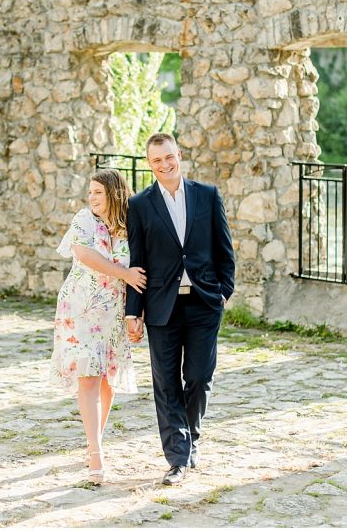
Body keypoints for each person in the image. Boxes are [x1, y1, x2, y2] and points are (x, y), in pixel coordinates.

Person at [125, 133, 235, 486]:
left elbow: (224, 251)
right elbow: (137, 262)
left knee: (200, 377)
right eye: (157, 160)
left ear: (180, 155)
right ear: (150, 164)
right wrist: (133, 311)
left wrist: (223, 294)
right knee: (166, 383)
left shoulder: (207, 195)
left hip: (204, 302)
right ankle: (178, 456)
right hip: (161, 307)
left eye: (169, 157)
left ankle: (191, 436)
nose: (165, 165)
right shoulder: (140, 205)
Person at [50, 169, 146, 485]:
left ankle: (96, 440)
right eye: (89, 192)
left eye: (98, 193)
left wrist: (137, 313)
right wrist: (124, 272)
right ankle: (95, 454)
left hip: (113, 312)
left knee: (107, 379)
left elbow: (142, 272)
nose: (91, 198)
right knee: (88, 377)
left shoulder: (132, 227)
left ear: (114, 194)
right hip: (80, 309)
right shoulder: (84, 220)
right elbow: (84, 255)